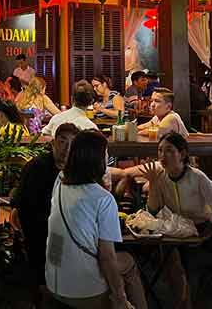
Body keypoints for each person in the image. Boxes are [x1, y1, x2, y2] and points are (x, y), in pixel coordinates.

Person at [47, 130, 148, 309]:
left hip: (53, 280)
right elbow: (107, 257)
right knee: (127, 263)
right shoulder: (102, 198)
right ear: (99, 159)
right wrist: (120, 298)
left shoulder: (60, 180)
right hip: (83, 290)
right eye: (106, 153)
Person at [139, 133, 212, 309]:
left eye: (169, 151)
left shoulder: (197, 177)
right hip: (177, 232)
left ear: (183, 154)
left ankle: (185, 302)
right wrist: (153, 184)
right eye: (160, 151)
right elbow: (153, 211)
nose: (163, 156)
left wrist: (205, 234)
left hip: (201, 232)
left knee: (186, 263)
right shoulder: (162, 178)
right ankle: (183, 302)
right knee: (170, 256)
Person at [14, 123, 79, 292]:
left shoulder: (77, 171)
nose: (66, 148)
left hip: (69, 232)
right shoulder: (36, 168)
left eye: (72, 144)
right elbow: (23, 209)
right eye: (62, 142)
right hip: (40, 234)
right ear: (53, 143)